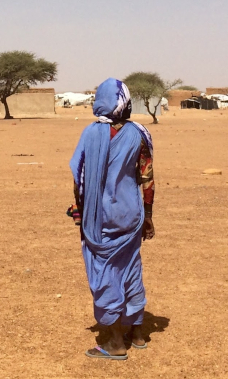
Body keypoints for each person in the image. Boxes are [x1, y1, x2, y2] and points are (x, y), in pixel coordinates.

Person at [68, 78, 155, 360]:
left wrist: (80, 212)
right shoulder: (138, 134)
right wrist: (149, 216)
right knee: (131, 269)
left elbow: (79, 178)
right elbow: (147, 178)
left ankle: (116, 343)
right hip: (131, 215)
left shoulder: (90, 134)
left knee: (105, 274)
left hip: (101, 220)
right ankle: (138, 334)